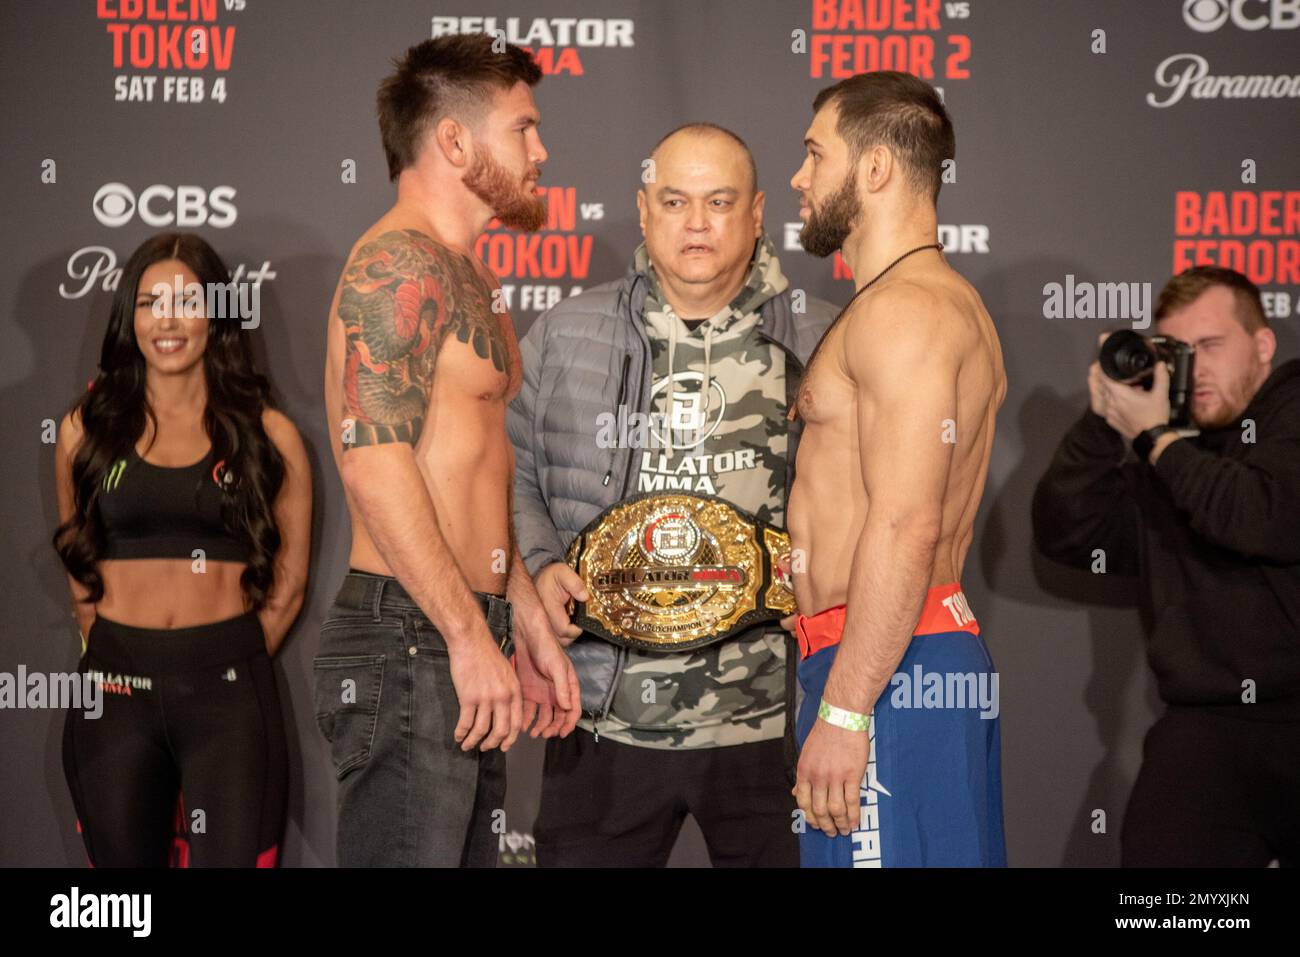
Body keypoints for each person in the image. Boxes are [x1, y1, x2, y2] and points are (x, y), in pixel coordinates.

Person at [510, 122, 836, 867]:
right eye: (675, 200)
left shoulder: (824, 339)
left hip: (773, 726)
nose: (696, 223)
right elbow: (506, 463)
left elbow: (878, 499)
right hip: (601, 718)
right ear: (643, 208)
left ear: (757, 213)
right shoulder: (565, 334)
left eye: (719, 202)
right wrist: (534, 562)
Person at [316, 34, 579, 868]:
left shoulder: (472, 278)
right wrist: (468, 636)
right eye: (524, 129)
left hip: (456, 626)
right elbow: (373, 462)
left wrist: (523, 617)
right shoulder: (397, 265)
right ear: (456, 141)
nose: (541, 152)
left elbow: (475, 473)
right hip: (412, 634)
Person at [786, 70, 1007, 867]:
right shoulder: (921, 301)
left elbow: (907, 522)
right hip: (890, 664)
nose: (799, 177)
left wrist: (845, 712)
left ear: (874, 168)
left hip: (888, 676)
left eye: (816, 153)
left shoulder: (905, 310)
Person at [54, 231, 311, 867]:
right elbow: (78, 565)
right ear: (128, 317)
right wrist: (120, 649)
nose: (166, 320)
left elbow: (289, 585)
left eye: (186, 302)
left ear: (218, 314)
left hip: (229, 695)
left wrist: (213, 658)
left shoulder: (269, 434)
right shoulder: (85, 430)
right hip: (113, 695)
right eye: (149, 303)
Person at [1033, 265, 1300, 867]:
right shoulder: (1175, 453)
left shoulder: (1288, 413)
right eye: (1181, 351)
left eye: (1211, 346)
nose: (1196, 367)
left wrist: (1155, 435)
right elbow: (1066, 532)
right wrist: (1105, 419)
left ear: (1263, 345)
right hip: (1207, 728)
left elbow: (1260, 515)